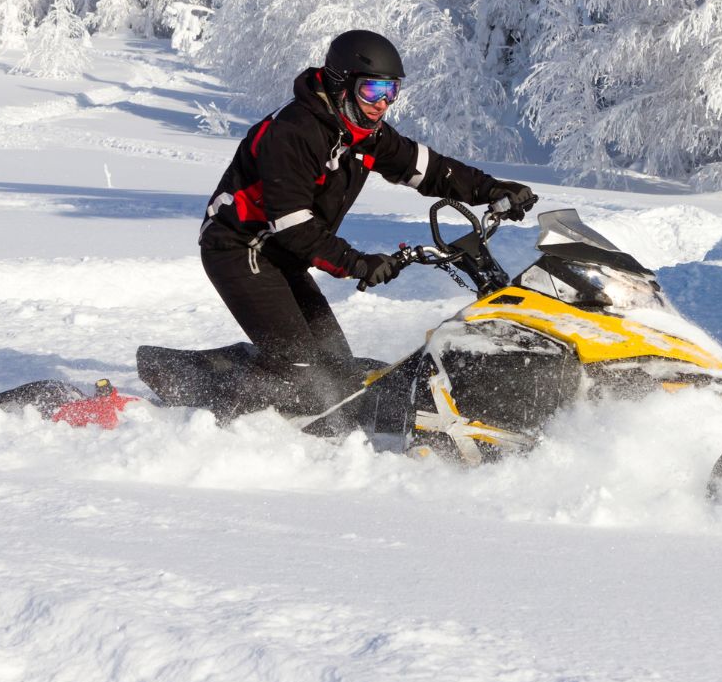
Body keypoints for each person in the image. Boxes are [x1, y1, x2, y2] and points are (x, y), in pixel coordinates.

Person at [197, 29, 537, 419]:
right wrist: (357, 262)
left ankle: (270, 382)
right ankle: (197, 396)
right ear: (341, 84)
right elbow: (292, 226)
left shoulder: (360, 132)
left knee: (337, 372)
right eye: (373, 91)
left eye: (391, 92)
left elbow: (429, 170)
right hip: (242, 250)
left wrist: (492, 190)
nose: (383, 104)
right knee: (304, 378)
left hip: (283, 254)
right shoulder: (294, 133)